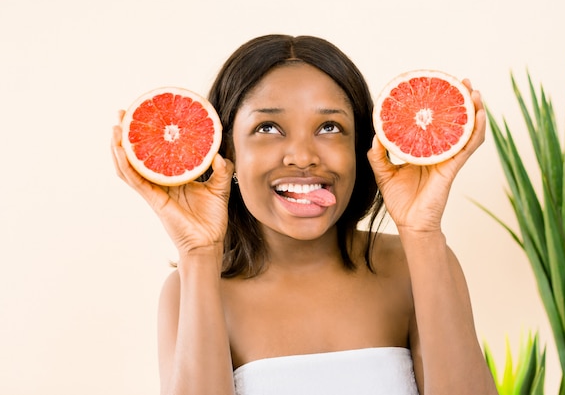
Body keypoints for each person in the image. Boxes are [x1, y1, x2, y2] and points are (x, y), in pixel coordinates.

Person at [111, 34, 498, 395]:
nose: (302, 156)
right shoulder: (189, 288)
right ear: (226, 152)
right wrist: (197, 252)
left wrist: (423, 232)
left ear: (362, 148)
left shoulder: (413, 265)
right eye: (268, 127)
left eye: (330, 127)